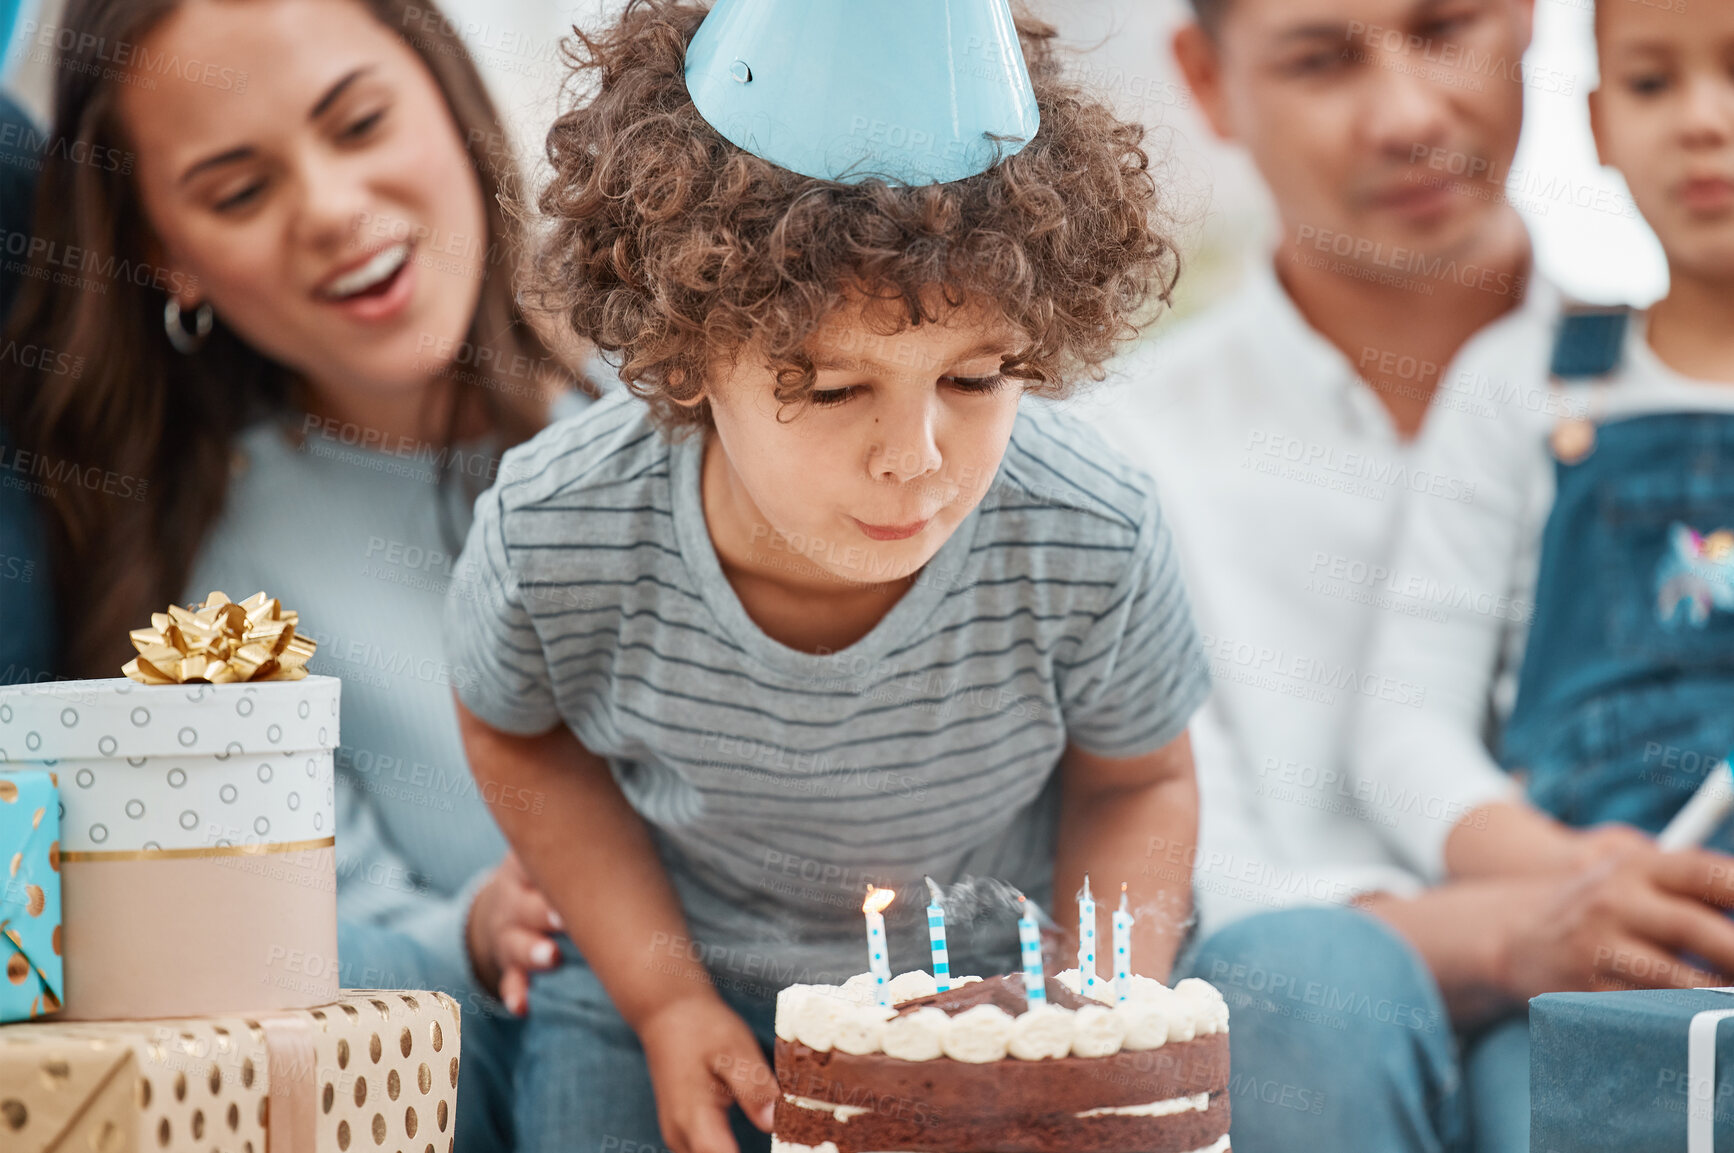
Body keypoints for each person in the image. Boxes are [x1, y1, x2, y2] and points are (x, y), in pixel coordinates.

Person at [443, 3, 1209, 1152]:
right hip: (671, 988)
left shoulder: (1088, 532)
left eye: (977, 378)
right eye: (836, 389)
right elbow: (513, 729)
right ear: (687, 344)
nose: (917, 457)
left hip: (989, 1006)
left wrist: (1084, 1025)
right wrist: (661, 996)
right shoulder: (559, 533)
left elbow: (1139, 780)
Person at [1077, 0, 1734, 1150]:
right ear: (1208, 80)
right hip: (1322, 1058)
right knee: (1295, 979)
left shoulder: (1643, 381)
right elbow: (1187, 896)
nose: (1411, 116)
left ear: (1530, 19)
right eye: (1322, 59)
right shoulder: (1118, 459)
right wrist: (1527, 924)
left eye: (1444, 29)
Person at [0, 1, 587, 1146]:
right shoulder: (219, 600)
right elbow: (267, 956)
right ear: (167, 257)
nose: (330, 208)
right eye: (237, 191)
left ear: (447, 97)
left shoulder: (700, 391)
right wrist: (473, 928)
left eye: (359, 122)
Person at [1356, 0, 1734, 979]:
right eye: (1653, 82)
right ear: (1600, 125)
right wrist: (1566, 875)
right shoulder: (1525, 381)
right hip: (1591, 954)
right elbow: (1405, 725)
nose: (1702, 118)